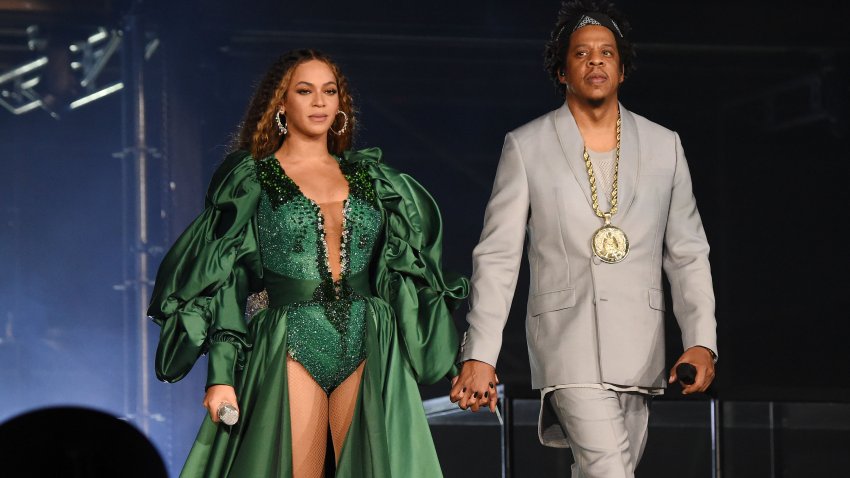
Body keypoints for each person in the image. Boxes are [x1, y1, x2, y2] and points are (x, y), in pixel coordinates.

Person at [148, 49, 468, 477]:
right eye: (305, 90)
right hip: (289, 342)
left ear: (341, 105)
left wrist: (452, 356)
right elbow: (224, 280)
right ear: (281, 103)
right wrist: (221, 375)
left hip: (370, 339)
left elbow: (408, 275)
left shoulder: (374, 181)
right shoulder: (252, 178)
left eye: (329, 91)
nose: (319, 101)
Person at [450, 1, 717, 477]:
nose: (596, 61)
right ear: (561, 70)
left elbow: (688, 252)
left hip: (640, 348)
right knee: (609, 469)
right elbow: (498, 256)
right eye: (582, 53)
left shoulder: (663, 145)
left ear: (621, 66)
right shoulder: (527, 146)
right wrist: (479, 355)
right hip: (565, 342)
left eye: (607, 52)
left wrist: (701, 341)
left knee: (604, 469)